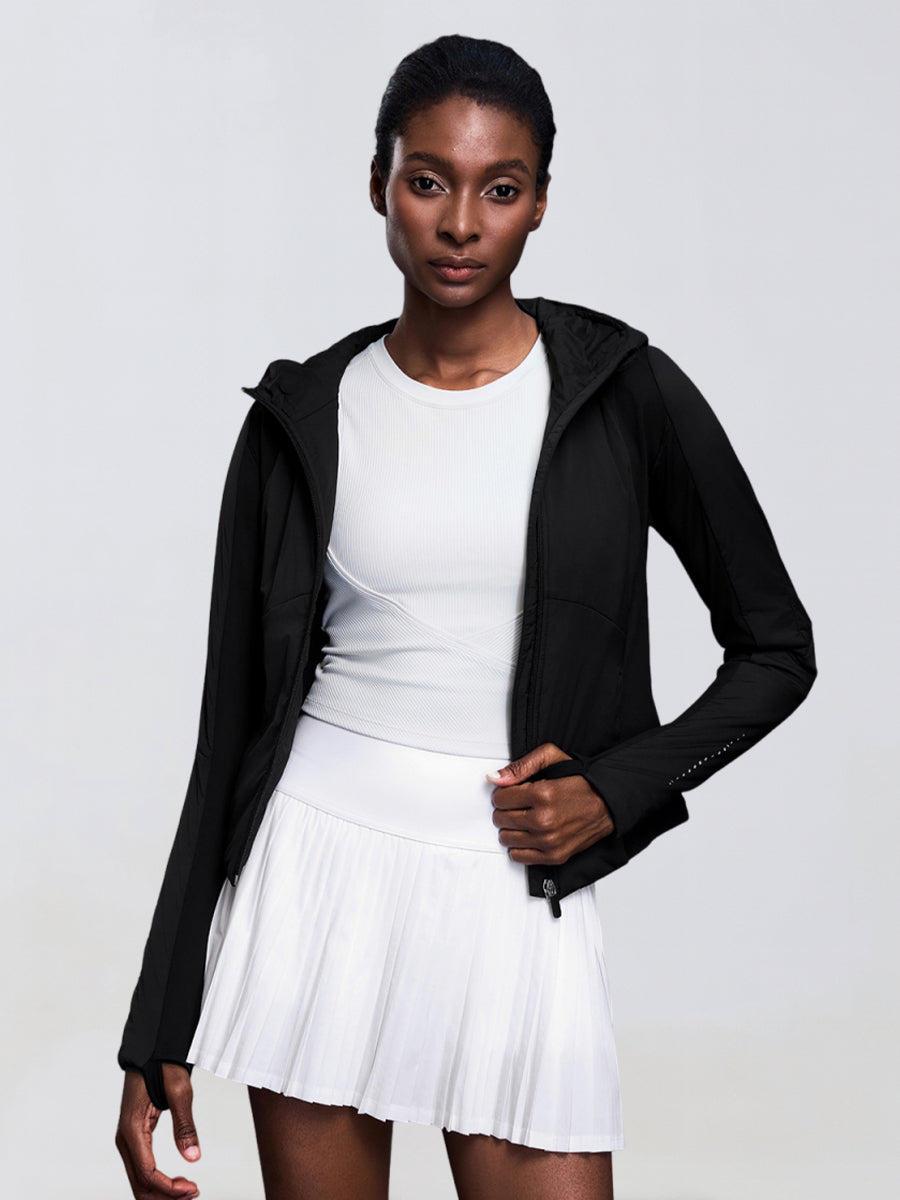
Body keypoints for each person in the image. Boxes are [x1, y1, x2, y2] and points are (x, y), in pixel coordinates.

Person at [114, 33, 817, 1200]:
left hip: (510, 884)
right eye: (429, 180)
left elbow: (777, 650)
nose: (458, 224)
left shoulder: (622, 391)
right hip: (319, 875)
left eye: (500, 189)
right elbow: (226, 732)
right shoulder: (304, 414)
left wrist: (615, 788)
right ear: (379, 183)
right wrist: (157, 1024)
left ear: (540, 202)